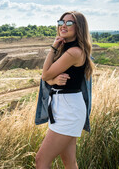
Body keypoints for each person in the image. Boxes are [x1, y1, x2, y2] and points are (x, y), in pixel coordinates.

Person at [35, 11, 93, 169]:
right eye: (61, 22)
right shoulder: (66, 48)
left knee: (41, 160)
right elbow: (48, 77)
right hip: (63, 106)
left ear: (79, 27)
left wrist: (53, 47)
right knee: (69, 163)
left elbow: (45, 74)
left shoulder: (73, 52)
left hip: (69, 110)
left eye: (69, 23)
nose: (63, 26)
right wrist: (53, 80)